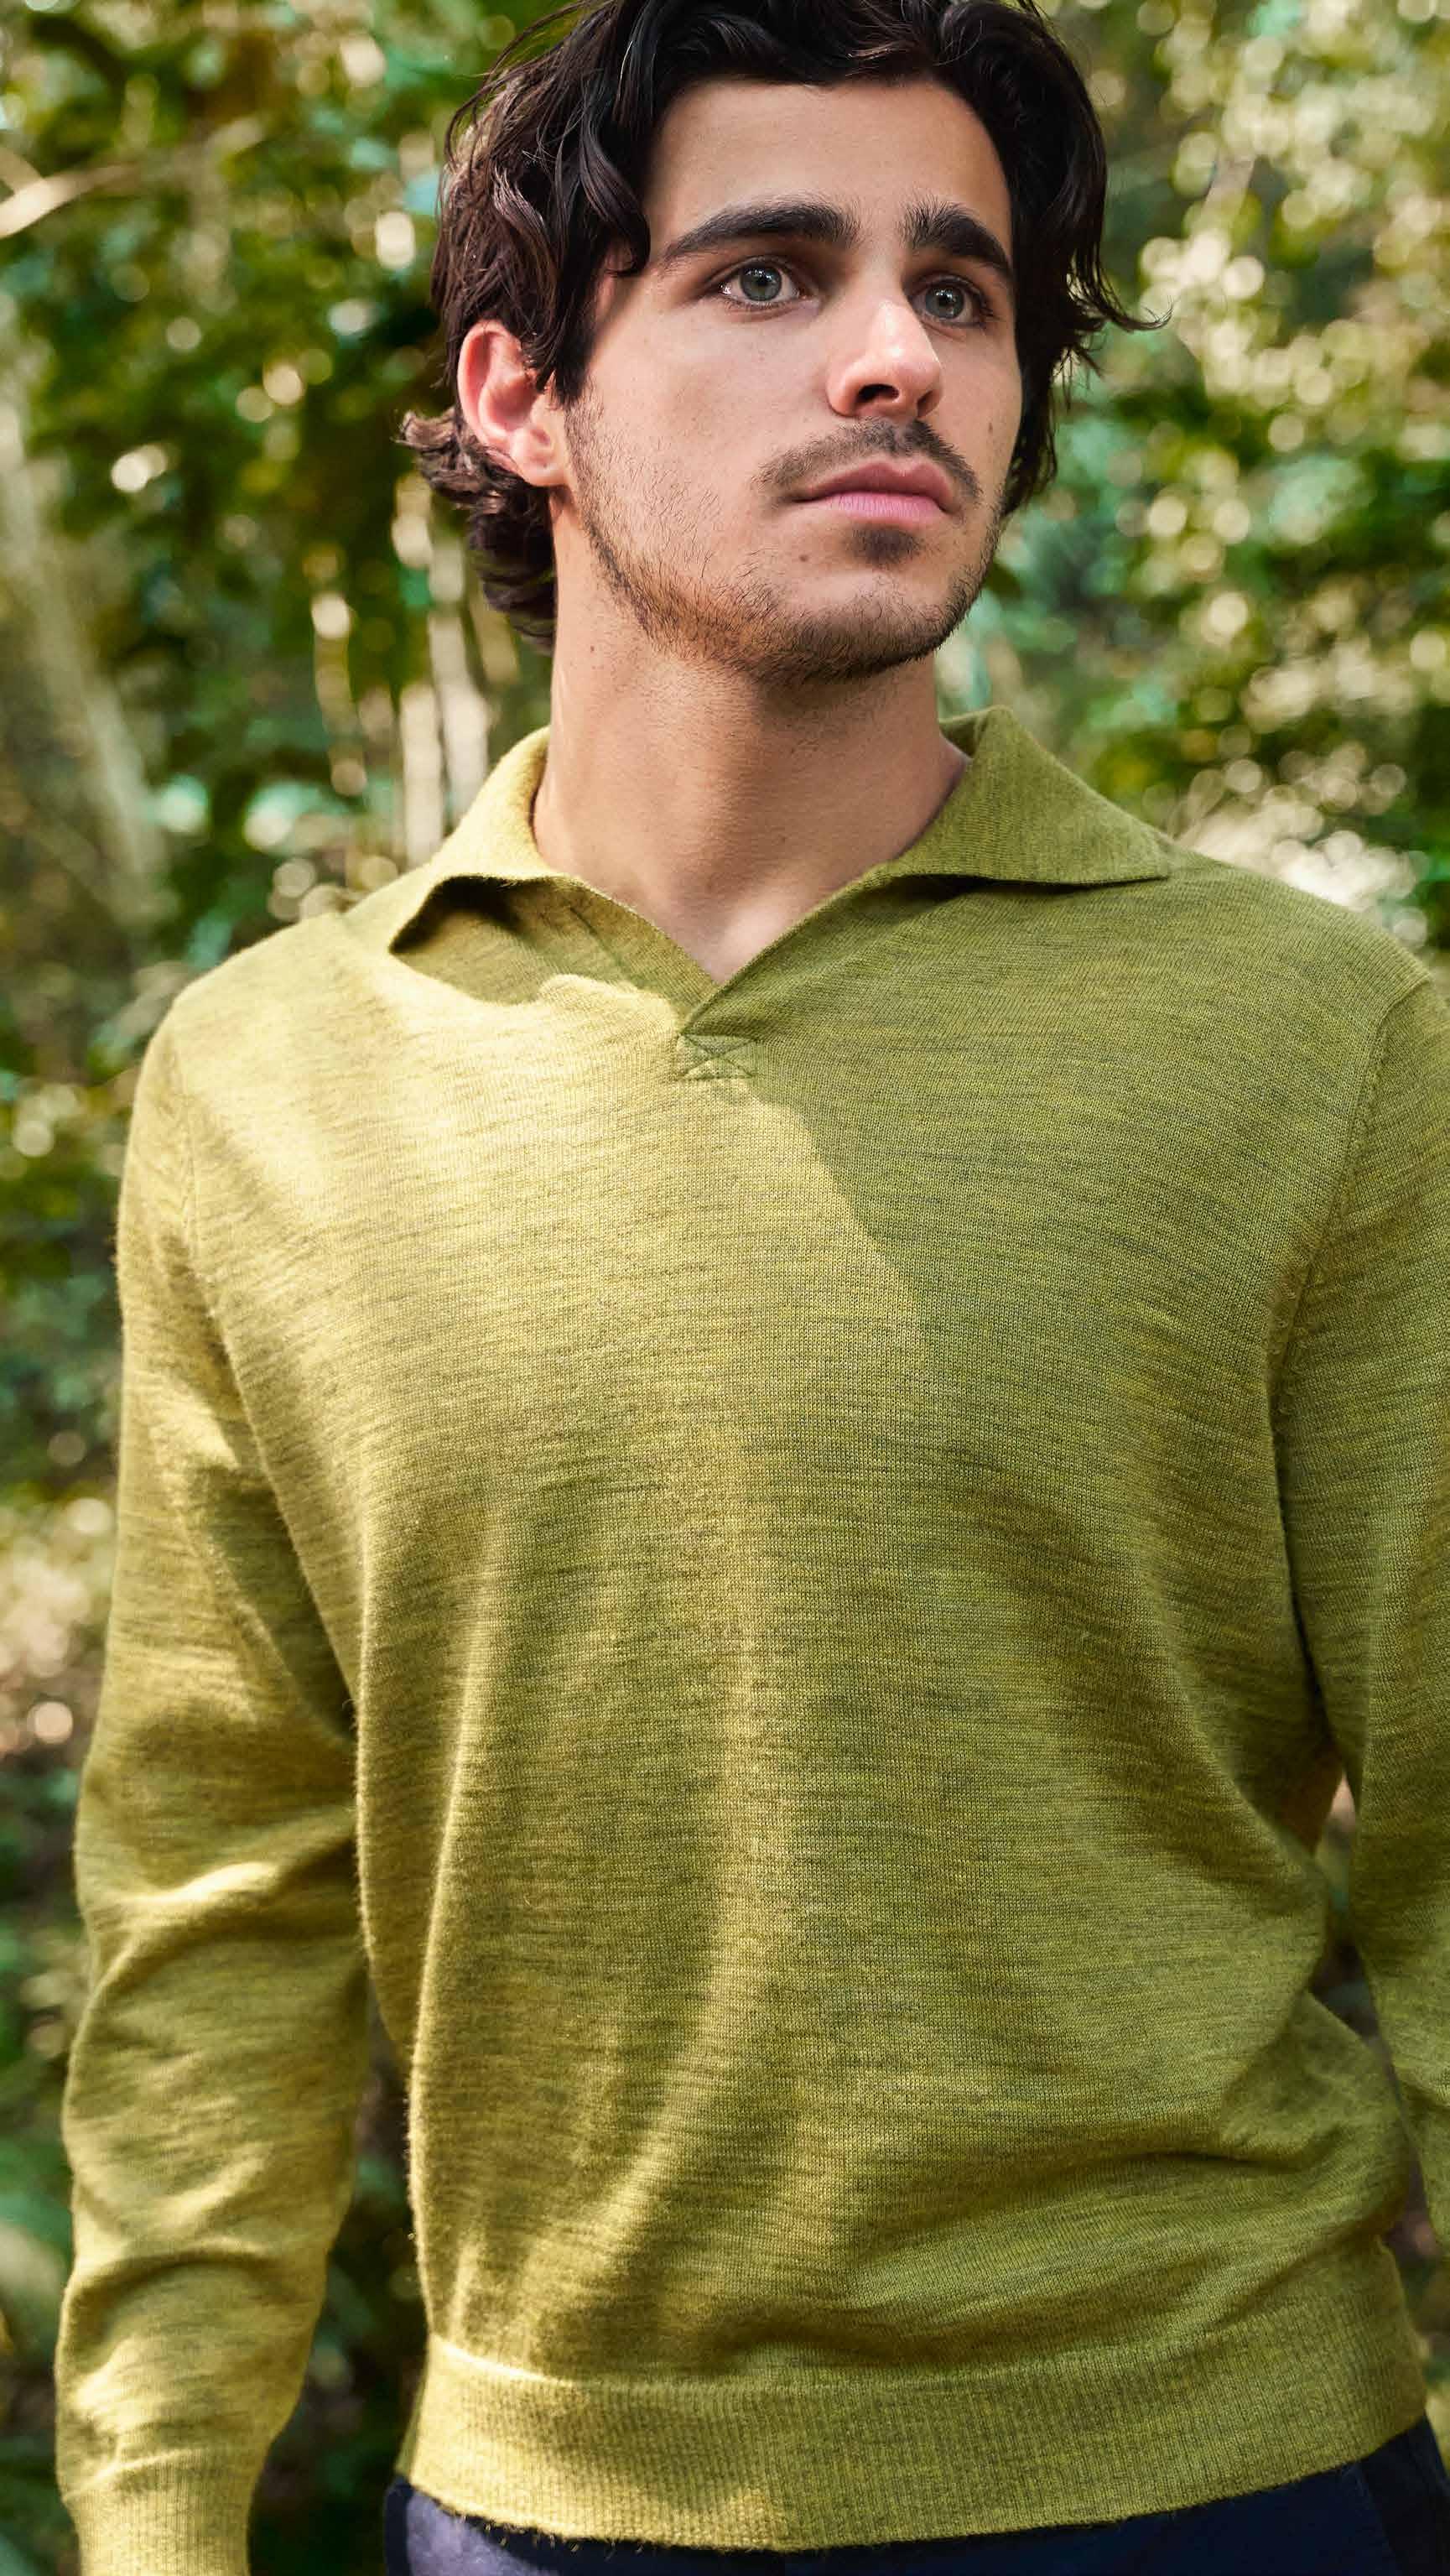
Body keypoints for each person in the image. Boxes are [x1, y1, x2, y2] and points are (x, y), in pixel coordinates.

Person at [51, 0, 1450, 2570]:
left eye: (962, 289)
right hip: (537, 2510)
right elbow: (219, 1893)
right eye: (767, 273)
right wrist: (153, 2517)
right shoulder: (271, 1086)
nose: (895, 353)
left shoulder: (1310, 1043)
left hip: (1218, 2484)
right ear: (522, 396)